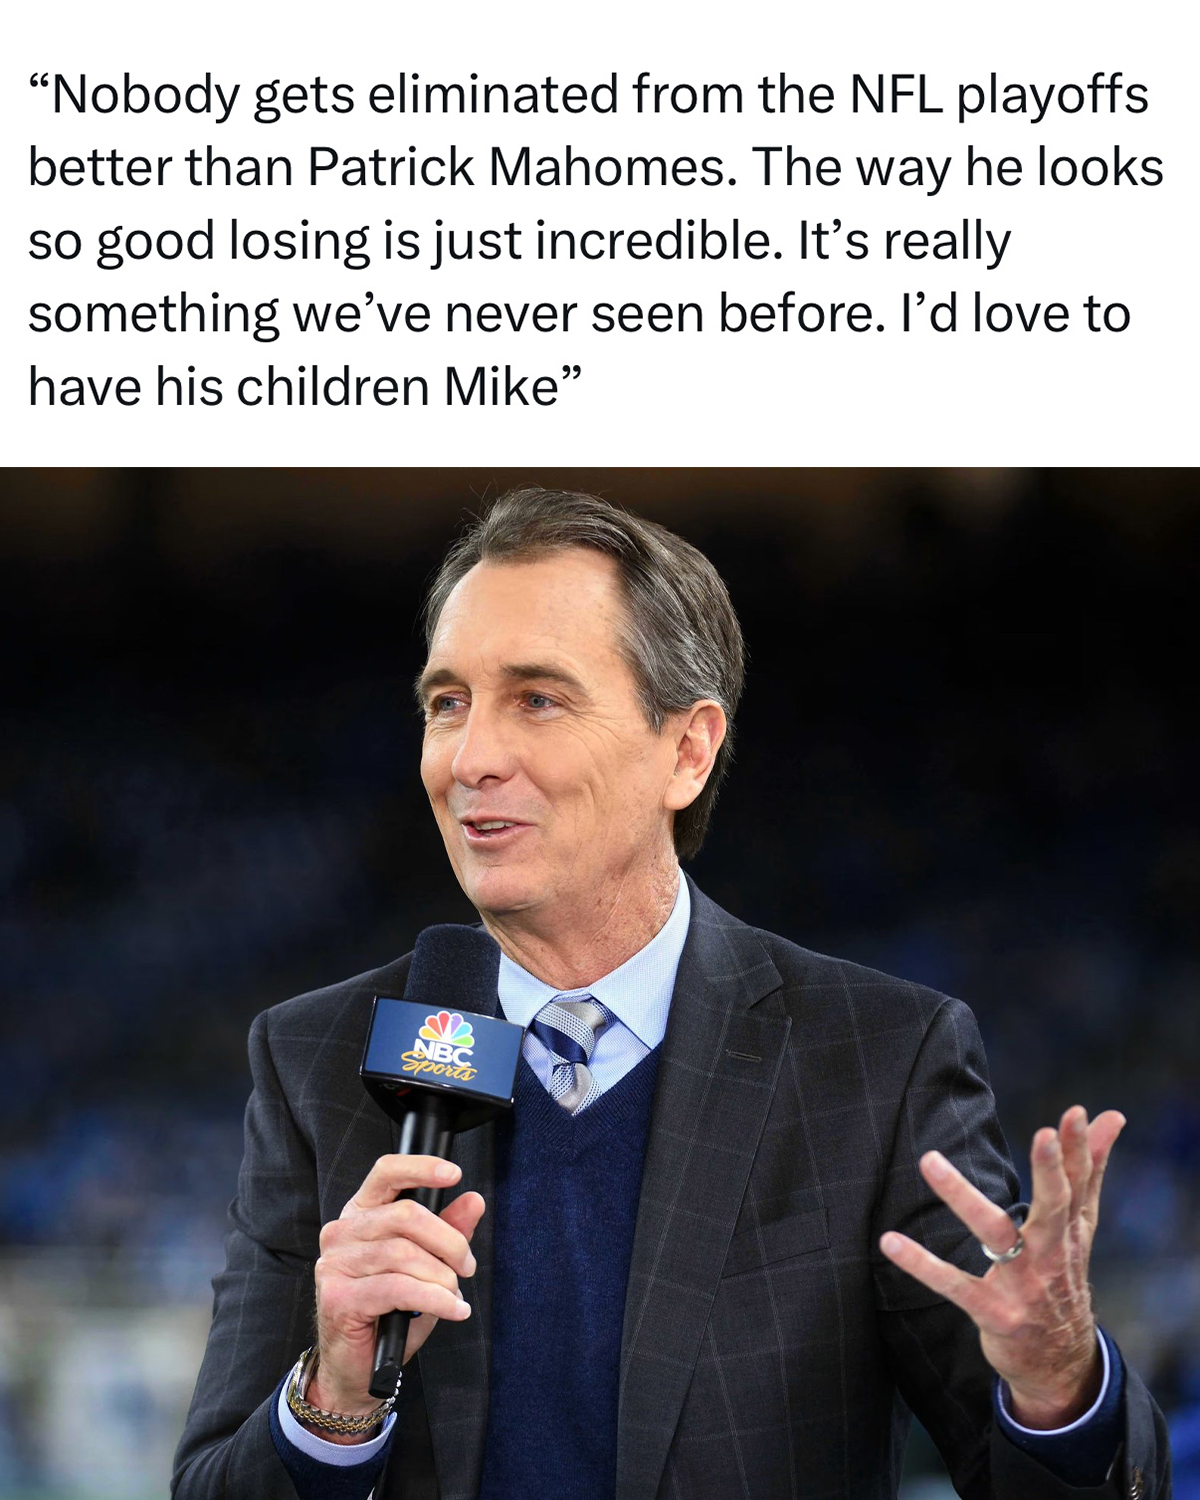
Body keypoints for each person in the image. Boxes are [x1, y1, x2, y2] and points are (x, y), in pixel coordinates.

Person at [172, 487, 1170, 1500]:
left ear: (687, 751)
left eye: (538, 699)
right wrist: (333, 1398)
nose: (470, 758)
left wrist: (1059, 1387)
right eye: (447, 703)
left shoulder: (874, 1063)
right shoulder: (315, 1059)